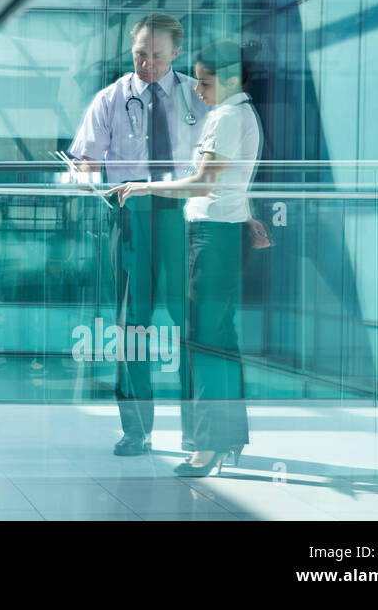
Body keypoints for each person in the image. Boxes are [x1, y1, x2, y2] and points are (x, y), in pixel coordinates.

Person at [107, 40, 262, 477]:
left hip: (210, 238)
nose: (198, 90)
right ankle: (228, 439)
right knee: (220, 340)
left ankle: (207, 447)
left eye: (206, 82)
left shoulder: (228, 117)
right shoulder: (235, 113)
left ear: (229, 80)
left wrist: (144, 186)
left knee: (205, 343)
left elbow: (202, 183)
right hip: (222, 233)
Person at [69, 13, 208, 456]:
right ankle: (136, 430)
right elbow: (85, 160)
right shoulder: (110, 99)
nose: (147, 64)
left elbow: (221, 161)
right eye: (139, 55)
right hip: (130, 220)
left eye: (157, 56)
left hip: (184, 217)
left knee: (192, 325)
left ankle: (196, 432)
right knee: (132, 327)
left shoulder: (196, 96)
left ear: (176, 53)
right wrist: (83, 172)